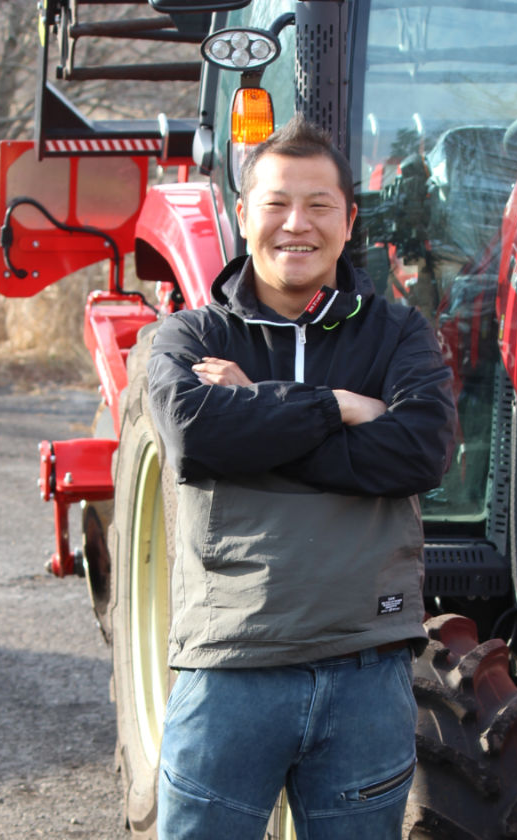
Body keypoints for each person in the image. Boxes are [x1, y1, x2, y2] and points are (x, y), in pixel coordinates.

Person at [147, 114, 456, 840]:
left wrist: (251, 408)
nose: (298, 224)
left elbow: (419, 452)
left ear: (349, 221)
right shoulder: (191, 336)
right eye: (277, 203)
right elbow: (195, 436)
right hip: (231, 670)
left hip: (364, 671)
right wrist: (342, 408)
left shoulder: (398, 334)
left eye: (319, 205)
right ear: (243, 215)